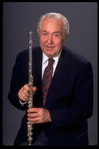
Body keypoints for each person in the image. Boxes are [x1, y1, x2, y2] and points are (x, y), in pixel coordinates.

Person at [8, 12, 93, 146]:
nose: (49, 41)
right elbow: (12, 95)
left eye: (56, 34)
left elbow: (84, 109)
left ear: (65, 37)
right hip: (32, 133)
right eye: (45, 33)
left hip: (66, 138)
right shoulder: (24, 57)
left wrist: (50, 115)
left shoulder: (81, 66)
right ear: (38, 33)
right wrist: (20, 96)